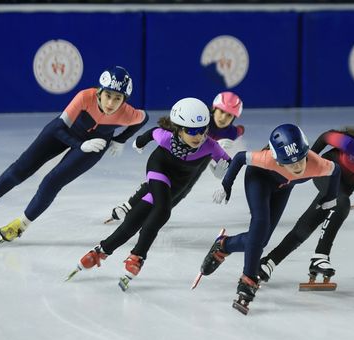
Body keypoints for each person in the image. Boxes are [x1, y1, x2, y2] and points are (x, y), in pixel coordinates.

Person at [0, 66, 149, 243]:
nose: (111, 103)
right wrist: (80, 145)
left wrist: (120, 139)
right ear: (100, 91)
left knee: (51, 182)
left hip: (96, 145)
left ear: (125, 100)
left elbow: (144, 117)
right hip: (65, 133)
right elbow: (58, 128)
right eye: (108, 95)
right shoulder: (85, 97)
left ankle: (21, 224)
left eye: (118, 98)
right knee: (22, 168)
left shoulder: (128, 113)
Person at [66, 97, 231, 292]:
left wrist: (225, 182)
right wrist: (138, 143)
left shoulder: (210, 145)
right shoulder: (166, 137)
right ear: (178, 128)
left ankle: (101, 250)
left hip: (179, 181)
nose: (199, 136)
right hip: (159, 167)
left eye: (203, 130)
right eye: (192, 131)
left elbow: (230, 164)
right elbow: (151, 133)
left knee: (135, 220)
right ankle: (138, 256)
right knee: (163, 209)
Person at [196, 123, 341, 314]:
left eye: (300, 159)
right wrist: (226, 185)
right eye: (289, 162)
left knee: (260, 240)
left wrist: (331, 197)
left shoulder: (316, 163)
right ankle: (248, 280)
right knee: (260, 224)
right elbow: (240, 158)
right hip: (259, 180)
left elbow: (336, 170)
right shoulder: (266, 159)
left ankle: (224, 245)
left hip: (283, 188)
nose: (297, 167)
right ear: (277, 160)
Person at [258, 112, 354, 283]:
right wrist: (308, 161)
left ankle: (269, 262)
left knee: (308, 224)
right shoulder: (349, 143)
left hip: (344, 189)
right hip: (326, 172)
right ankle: (321, 256)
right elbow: (325, 137)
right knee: (342, 203)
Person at [105, 91, 245, 223]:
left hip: (201, 157)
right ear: (214, 108)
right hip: (177, 152)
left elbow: (239, 133)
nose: (223, 118)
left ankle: (156, 213)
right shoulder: (201, 116)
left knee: (184, 190)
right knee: (160, 181)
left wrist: (219, 168)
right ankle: (128, 205)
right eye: (222, 112)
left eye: (229, 115)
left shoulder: (232, 133)